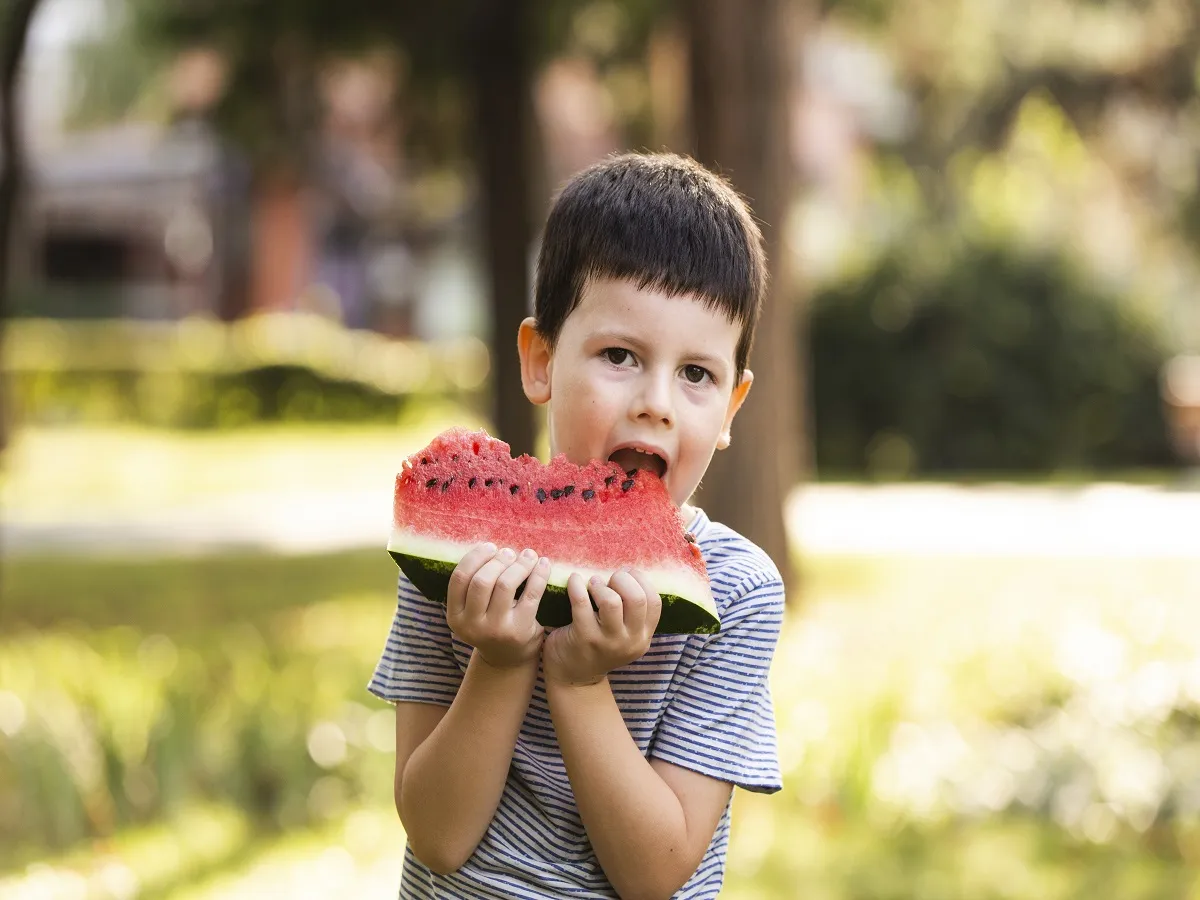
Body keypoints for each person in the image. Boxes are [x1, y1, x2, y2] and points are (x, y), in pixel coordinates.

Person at [369, 152, 785, 899]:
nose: (657, 402)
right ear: (540, 360)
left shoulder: (737, 595)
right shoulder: (455, 562)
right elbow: (436, 833)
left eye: (697, 374)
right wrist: (496, 663)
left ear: (731, 408)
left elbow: (654, 874)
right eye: (620, 355)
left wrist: (579, 678)